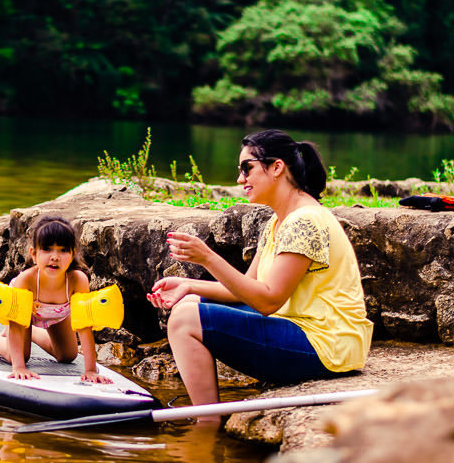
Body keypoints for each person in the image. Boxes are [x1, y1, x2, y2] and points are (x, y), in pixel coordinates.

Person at [147, 129, 373, 413]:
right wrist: (189, 286)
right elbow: (247, 286)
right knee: (189, 304)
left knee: (184, 320)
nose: (241, 179)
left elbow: (267, 301)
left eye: (247, 169)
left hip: (326, 347)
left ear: (277, 167)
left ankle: (206, 422)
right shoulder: (279, 221)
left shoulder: (305, 221)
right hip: (303, 332)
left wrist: (207, 257)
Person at [0, 214, 112, 384]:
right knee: (19, 356)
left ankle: (33, 333)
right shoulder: (26, 280)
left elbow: (84, 326)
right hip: (23, 317)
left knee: (68, 356)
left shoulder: (78, 280)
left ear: (73, 254)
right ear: (33, 254)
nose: (55, 257)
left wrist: (91, 371)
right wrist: (18, 367)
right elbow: (17, 323)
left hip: (58, 314)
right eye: (47, 249)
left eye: (63, 250)